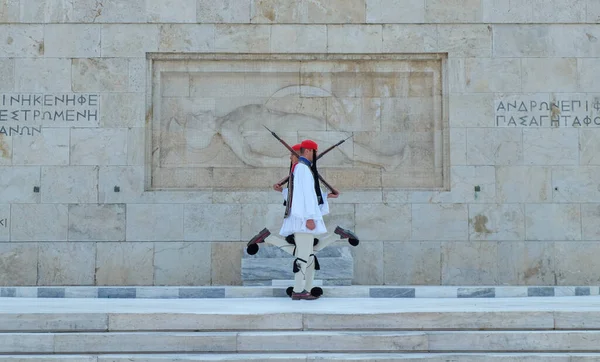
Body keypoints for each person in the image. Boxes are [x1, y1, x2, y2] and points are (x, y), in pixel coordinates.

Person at [247, 139, 359, 300]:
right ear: (308, 151)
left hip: (302, 218)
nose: (315, 155)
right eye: (315, 152)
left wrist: (326, 196)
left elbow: (305, 194)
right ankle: (299, 290)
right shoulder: (302, 169)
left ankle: (307, 286)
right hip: (304, 219)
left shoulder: (302, 169)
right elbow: (303, 196)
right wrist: (309, 217)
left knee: (308, 255)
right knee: (304, 256)